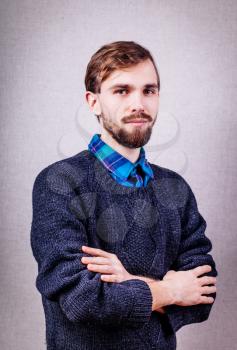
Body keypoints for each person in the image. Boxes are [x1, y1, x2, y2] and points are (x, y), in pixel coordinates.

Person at [30, 41, 218, 350]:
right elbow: (81, 300)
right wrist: (169, 291)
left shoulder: (176, 189)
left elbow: (203, 293)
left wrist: (129, 281)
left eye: (149, 90)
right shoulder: (59, 182)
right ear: (93, 102)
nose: (139, 104)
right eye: (121, 91)